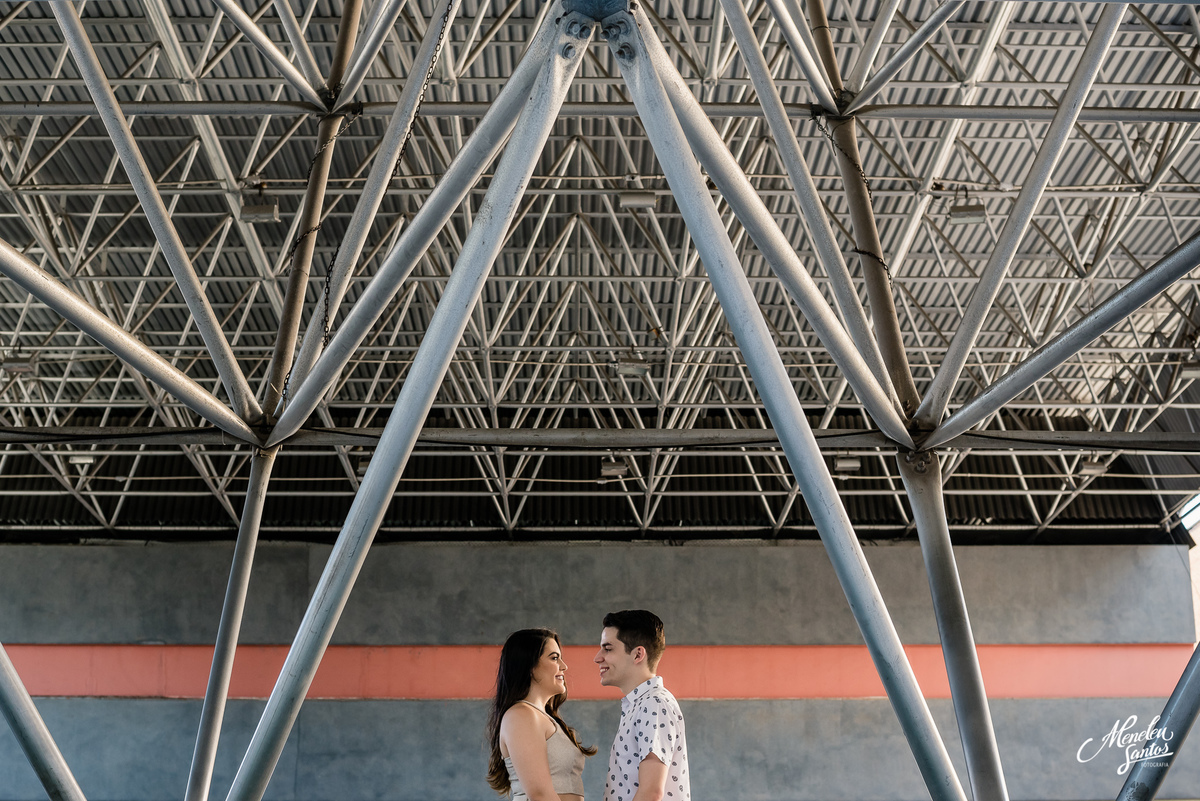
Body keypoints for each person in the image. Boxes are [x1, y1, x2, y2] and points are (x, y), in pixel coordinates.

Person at [488, 628, 597, 800]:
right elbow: (540, 795)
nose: (564, 666)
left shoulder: (542, 717)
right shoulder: (521, 715)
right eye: (554, 658)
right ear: (529, 666)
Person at [594, 610, 690, 801]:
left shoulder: (654, 703)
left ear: (638, 654)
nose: (597, 657)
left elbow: (651, 793)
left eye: (608, 648)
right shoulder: (642, 704)